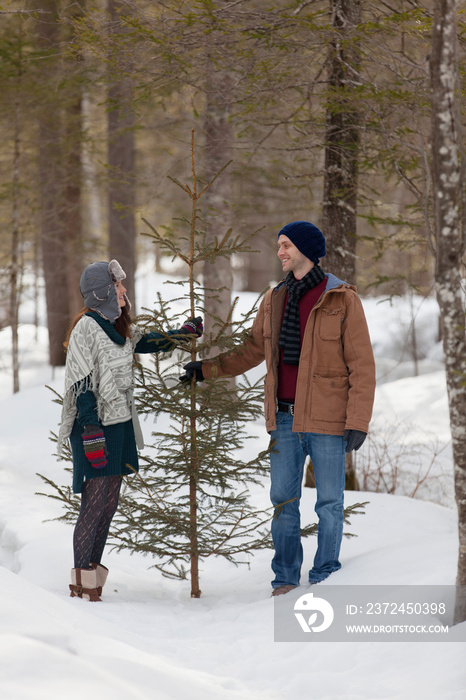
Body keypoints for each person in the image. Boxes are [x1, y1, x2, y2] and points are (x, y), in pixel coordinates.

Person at [180, 221, 375, 596]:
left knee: (330, 503)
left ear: (305, 249)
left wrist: (358, 421)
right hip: (284, 419)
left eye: (286, 245)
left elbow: (362, 366)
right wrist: (206, 370)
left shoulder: (342, 299)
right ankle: (285, 578)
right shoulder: (274, 299)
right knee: (284, 502)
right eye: (279, 246)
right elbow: (252, 351)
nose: (280, 252)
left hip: (328, 419)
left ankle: (326, 574)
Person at [57, 259, 203, 601]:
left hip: (119, 423)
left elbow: (146, 341)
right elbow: (82, 383)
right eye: (118, 286)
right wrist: (91, 430)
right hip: (94, 426)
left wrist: (183, 333)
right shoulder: (87, 328)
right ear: (104, 292)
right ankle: (81, 584)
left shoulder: (116, 324)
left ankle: (93, 575)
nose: (124, 291)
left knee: (109, 502)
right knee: (93, 504)